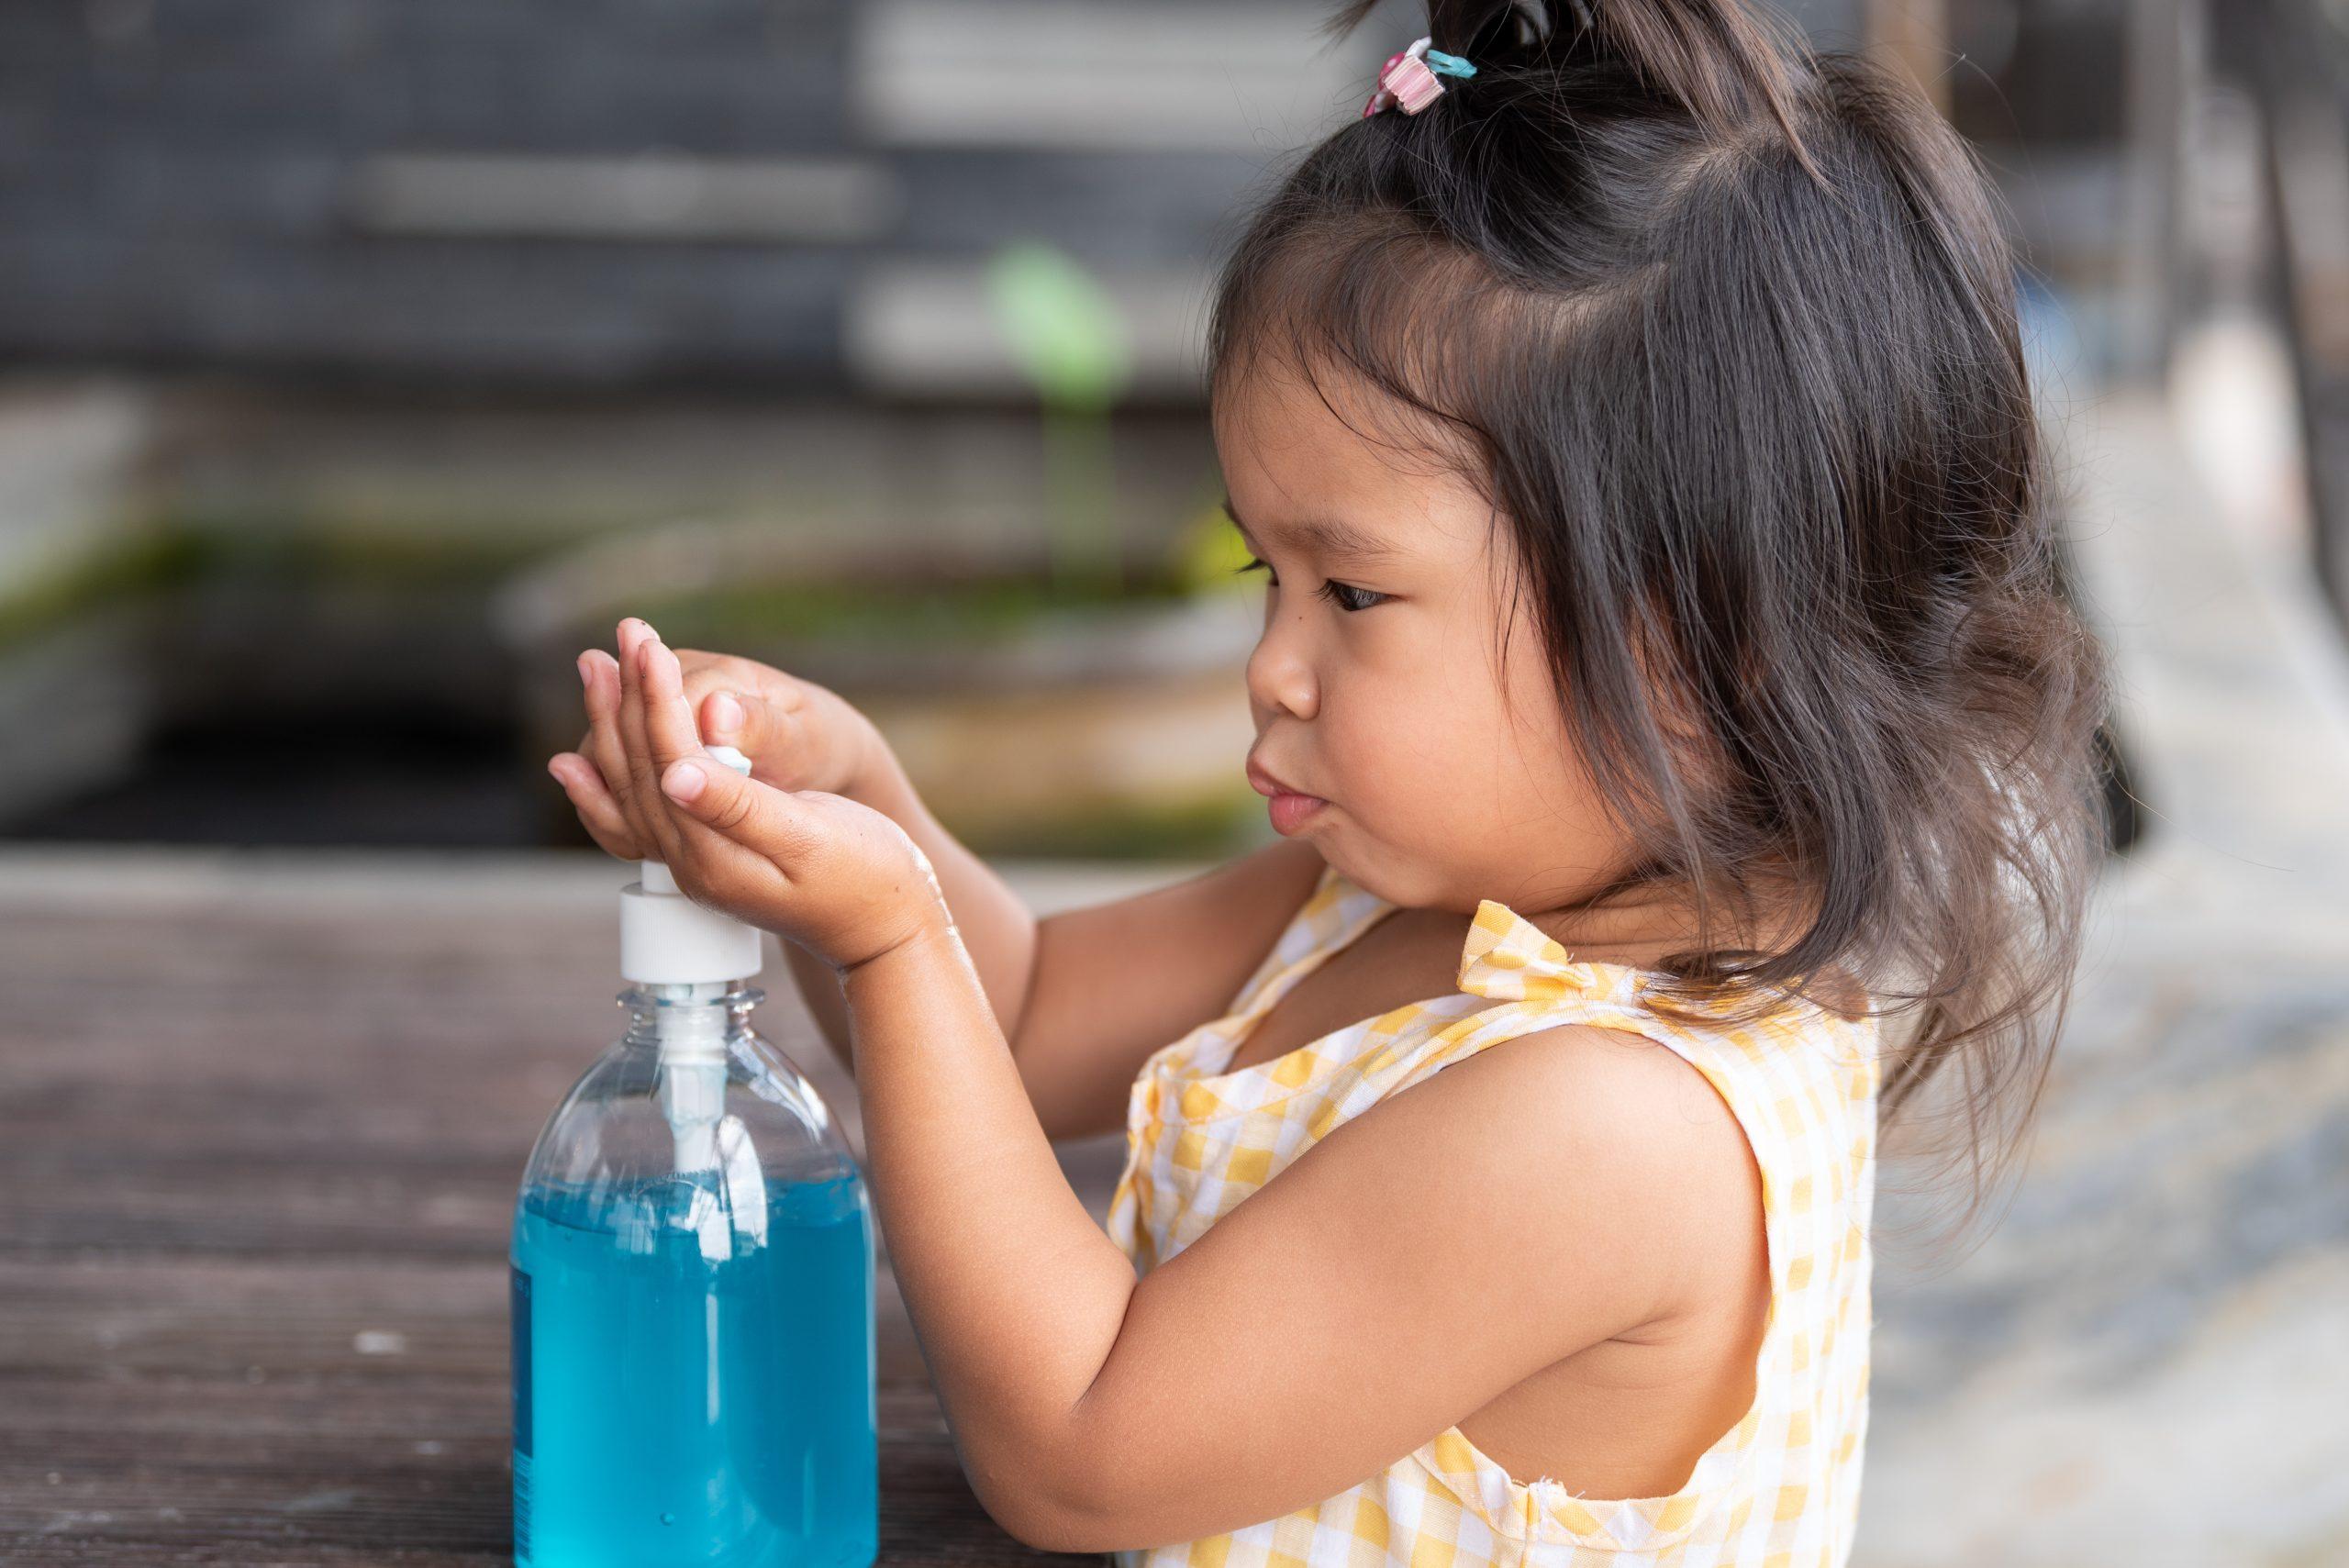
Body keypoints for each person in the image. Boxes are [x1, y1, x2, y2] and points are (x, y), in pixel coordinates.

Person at [544, 1, 2111, 1562]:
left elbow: (1084, 1444)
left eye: (1349, 596)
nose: (1269, 665)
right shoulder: (1399, 894)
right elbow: (1010, 1026)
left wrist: (888, 938)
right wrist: (851, 800)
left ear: (1700, 661)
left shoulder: (1614, 1127)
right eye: (1262, 569)